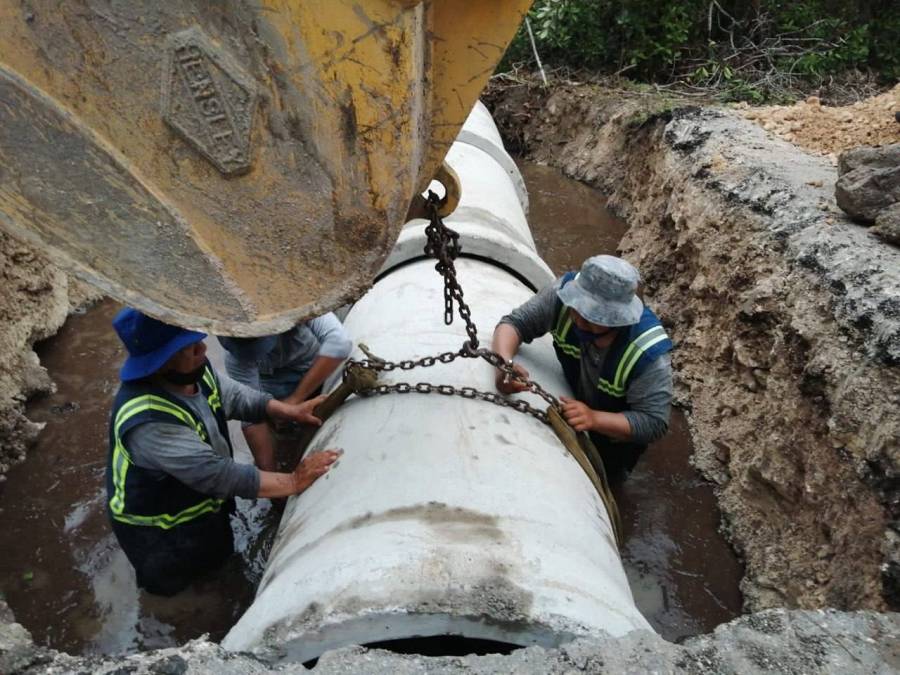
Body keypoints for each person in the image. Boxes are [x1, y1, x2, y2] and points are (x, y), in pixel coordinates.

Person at [106, 308, 341, 596]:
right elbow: (218, 475)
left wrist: (289, 410)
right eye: (190, 347)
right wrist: (292, 482)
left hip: (202, 505)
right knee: (180, 592)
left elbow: (236, 396)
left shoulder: (194, 370)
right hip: (162, 531)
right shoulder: (149, 421)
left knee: (219, 559)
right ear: (161, 362)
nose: (203, 348)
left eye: (198, 340)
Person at [492, 255, 673, 481]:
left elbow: (654, 422)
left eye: (590, 317)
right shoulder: (561, 298)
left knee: (611, 476)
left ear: (618, 319)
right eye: (576, 308)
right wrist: (503, 364)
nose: (577, 318)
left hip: (616, 435)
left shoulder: (648, 355)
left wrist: (594, 419)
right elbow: (514, 324)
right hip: (579, 389)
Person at [217, 314, 352, 470]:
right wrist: (270, 473)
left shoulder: (297, 308)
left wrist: (295, 399)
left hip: (317, 366)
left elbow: (339, 343)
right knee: (283, 442)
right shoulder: (236, 359)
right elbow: (250, 414)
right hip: (274, 386)